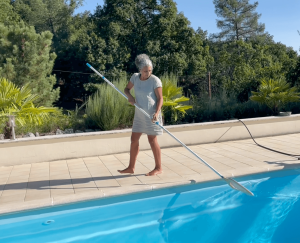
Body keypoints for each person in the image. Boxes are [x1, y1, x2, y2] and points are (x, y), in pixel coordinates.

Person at [118, 54, 163, 176]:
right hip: (139, 114)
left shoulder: (155, 80)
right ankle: (131, 167)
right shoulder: (135, 78)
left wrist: (157, 113)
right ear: (140, 70)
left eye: (149, 71)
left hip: (152, 114)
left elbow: (160, 98)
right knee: (134, 139)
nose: (148, 73)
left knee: (152, 140)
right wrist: (130, 97)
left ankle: (158, 168)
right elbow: (126, 89)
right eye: (145, 71)